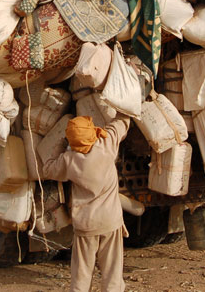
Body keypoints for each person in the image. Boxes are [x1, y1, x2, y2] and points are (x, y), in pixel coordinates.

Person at [43, 115, 130, 292]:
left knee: (81, 276)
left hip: (86, 226)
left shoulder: (69, 160)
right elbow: (122, 123)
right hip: (110, 222)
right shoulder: (107, 146)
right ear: (92, 134)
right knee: (112, 274)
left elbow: (48, 169)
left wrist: (60, 147)